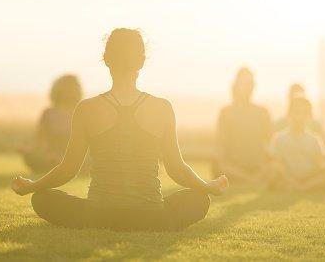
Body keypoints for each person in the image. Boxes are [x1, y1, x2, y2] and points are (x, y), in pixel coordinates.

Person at [12, 28, 229, 231]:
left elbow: (68, 169)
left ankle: (103, 219)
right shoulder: (162, 108)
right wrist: (206, 187)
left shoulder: (87, 109)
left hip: (98, 215)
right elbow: (176, 169)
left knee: (41, 198)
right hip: (150, 216)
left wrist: (34, 186)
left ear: (106, 60)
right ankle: (151, 221)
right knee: (199, 200)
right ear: (142, 62)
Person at [213, 68, 273, 183]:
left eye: (251, 83)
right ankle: (251, 179)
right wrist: (220, 162)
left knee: (274, 168)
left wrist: (268, 163)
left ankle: (251, 179)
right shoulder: (226, 112)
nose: (248, 87)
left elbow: (271, 142)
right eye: (244, 83)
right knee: (222, 168)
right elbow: (220, 142)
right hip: (233, 167)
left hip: (258, 167)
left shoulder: (262, 112)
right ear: (236, 85)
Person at [269, 97, 325, 191]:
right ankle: (304, 187)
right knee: (273, 171)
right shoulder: (279, 138)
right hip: (288, 176)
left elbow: (319, 164)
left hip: (309, 177)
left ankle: (302, 187)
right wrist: (290, 179)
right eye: (297, 112)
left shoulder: (314, 139)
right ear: (289, 114)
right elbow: (278, 164)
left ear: (309, 116)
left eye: (304, 113)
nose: (300, 117)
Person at [21, 75, 82, 172]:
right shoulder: (48, 113)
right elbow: (40, 139)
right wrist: (43, 152)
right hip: (50, 155)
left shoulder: (81, 112)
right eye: (66, 89)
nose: (68, 93)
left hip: (74, 156)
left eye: (71, 89)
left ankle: (61, 164)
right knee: (33, 156)